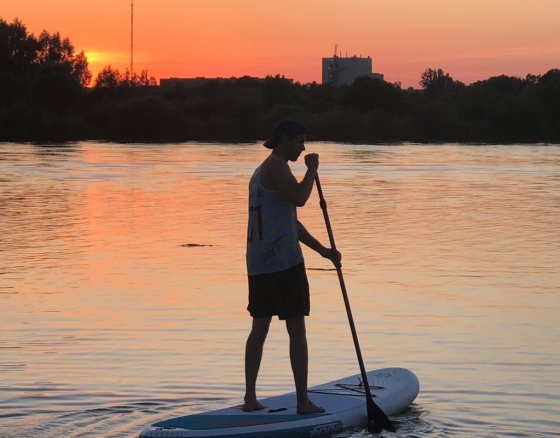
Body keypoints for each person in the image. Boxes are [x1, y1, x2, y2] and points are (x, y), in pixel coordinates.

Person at [243, 119, 340, 415]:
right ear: (284, 140)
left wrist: (323, 251)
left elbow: (288, 221)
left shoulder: (263, 171)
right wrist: (312, 169)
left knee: (260, 326)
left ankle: (250, 399)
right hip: (283, 264)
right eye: (299, 141)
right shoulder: (276, 167)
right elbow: (299, 199)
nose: (303, 147)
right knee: (296, 328)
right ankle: (302, 402)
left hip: (259, 262)